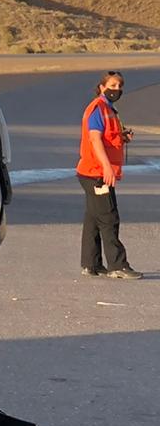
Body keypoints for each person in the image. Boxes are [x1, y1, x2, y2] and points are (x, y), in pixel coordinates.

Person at [77, 71, 141, 279]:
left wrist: (122, 137)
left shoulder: (109, 109)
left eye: (120, 86)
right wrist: (106, 168)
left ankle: (91, 264)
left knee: (94, 218)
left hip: (92, 171)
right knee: (109, 218)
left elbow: (108, 138)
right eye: (112, 85)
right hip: (96, 173)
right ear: (102, 87)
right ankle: (117, 265)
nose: (117, 89)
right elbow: (95, 140)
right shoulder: (98, 108)